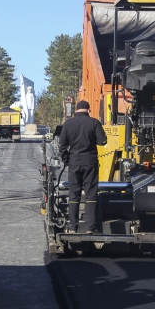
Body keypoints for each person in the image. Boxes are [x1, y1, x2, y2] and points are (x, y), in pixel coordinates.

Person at [58, 100, 107, 234]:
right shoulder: (93, 122)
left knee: (74, 194)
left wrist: (67, 161)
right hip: (90, 162)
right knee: (91, 194)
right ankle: (90, 227)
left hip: (74, 162)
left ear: (76, 109)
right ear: (88, 110)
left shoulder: (68, 124)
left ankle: (73, 227)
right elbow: (103, 141)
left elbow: (61, 145)